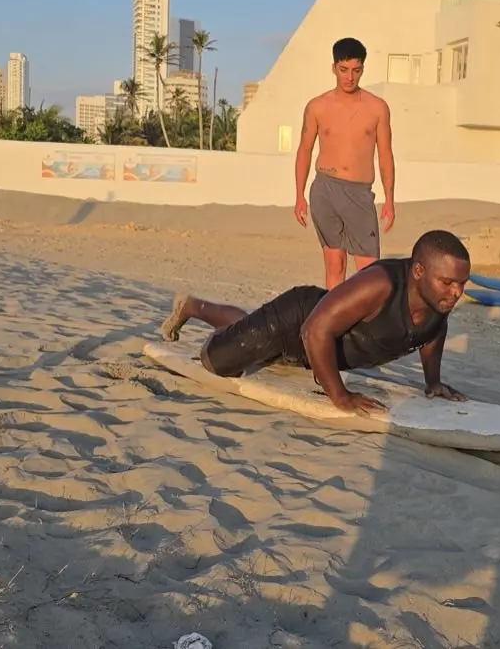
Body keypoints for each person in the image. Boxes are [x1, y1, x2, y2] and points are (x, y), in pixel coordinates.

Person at [159, 230, 472, 415]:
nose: (457, 292)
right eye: (448, 282)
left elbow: (432, 331)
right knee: (217, 361)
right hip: (296, 321)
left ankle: (232, 321)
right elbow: (314, 329)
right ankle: (192, 306)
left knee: (250, 331)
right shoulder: (381, 283)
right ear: (418, 272)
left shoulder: (437, 300)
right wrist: (339, 395)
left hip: (317, 338)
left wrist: (433, 381)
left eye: (462, 283)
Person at [293, 37, 396, 290]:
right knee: (334, 264)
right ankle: (333, 325)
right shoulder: (317, 106)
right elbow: (304, 150)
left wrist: (390, 199)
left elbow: (385, 155)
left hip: (360, 194)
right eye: (344, 70)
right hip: (325, 190)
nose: (350, 77)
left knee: (370, 273)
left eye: (356, 71)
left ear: (362, 70)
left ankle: (368, 327)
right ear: (334, 68)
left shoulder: (377, 108)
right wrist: (299, 196)